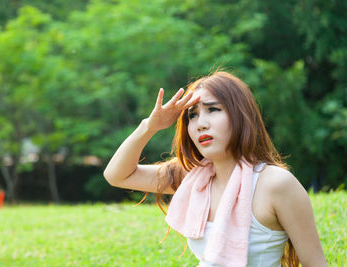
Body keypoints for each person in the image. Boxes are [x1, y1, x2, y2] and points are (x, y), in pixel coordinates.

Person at [103, 70, 327, 267]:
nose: (201, 123)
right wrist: (149, 126)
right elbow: (117, 176)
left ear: (240, 115)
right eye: (193, 115)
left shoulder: (276, 184)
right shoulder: (193, 178)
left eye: (213, 109)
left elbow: (314, 263)